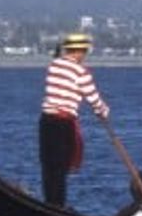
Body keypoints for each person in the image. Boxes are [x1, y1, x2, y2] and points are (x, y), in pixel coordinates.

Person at [38, 31, 109, 206]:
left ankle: (51, 202)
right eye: (84, 51)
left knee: (49, 165)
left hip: (46, 121)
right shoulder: (81, 72)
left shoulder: (54, 65)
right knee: (60, 167)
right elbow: (93, 98)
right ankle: (57, 205)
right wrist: (103, 111)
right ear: (78, 51)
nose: (85, 55)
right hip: (63, 123)